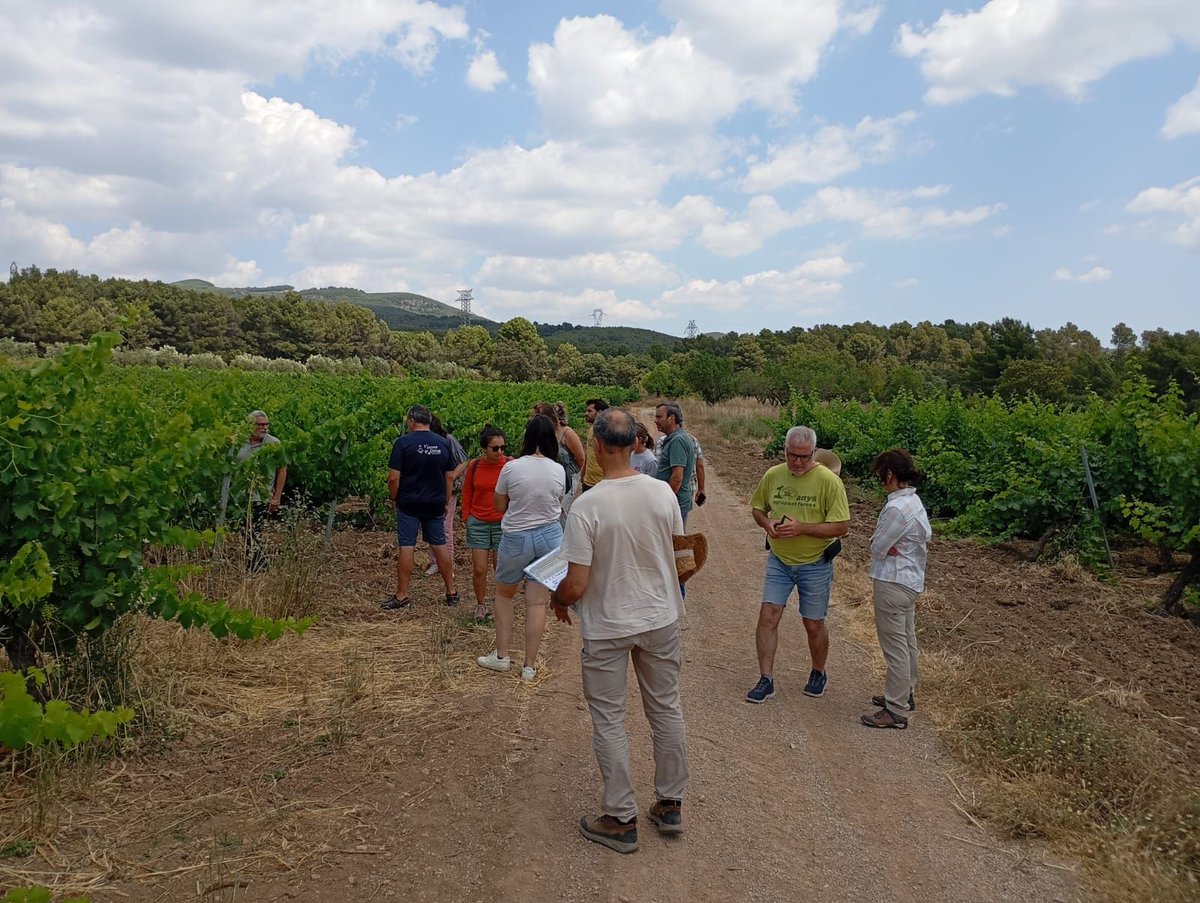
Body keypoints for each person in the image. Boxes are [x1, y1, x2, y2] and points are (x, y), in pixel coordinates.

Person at [550, 408, 688, 854]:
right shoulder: (663, 494)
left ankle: (620, 817)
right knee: (666, 709)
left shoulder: (586, 506)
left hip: (608, 625)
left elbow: (576, 584)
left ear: (595, 446)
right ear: (635, 444)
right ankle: (670, 804)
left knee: (609, 717)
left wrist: (557, 600)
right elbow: (678, 554)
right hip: (660, 617)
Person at [746, 426, 850, 703]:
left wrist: (803, 528)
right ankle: (765, 679)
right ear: (785, 450)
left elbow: (842, 526)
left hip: (815, 563)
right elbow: (757, 508)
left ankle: (818, 671)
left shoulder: (829, 481)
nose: (797, 462)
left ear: (814, 453)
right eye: (792, 455)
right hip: (779, 560)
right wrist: (766, 522)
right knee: (768, 614)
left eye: (804, 457)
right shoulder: (773, 475)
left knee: (813, 623)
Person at [476, 414, 565, 681]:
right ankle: (529, 666)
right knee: (537, 602)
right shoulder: (557, 469)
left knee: (504, 594)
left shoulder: (511, 468)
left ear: (526, 438)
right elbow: (557, 501)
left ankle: (502, 656)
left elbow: (499, 506)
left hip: (516, 536)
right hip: (551, 536)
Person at [861, 449, 931, 730]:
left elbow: (877, 547)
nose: (880, 480)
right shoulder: (914, 501)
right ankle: (906, 693)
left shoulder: (895, 508)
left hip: (892, 583)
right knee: (907, 639)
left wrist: (878, 544)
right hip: (911, 582)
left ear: (889, 474)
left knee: (895, 647)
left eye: (881, 474)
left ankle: (895, 709)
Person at [381, 404, 457, 611]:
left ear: (412, 421)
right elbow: (449, 476)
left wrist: (394, 497)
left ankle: (402, 594)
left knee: (407, 546)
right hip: (434, 503)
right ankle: (451, 592)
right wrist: (444, 500)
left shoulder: (403, 443)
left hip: (409, 503)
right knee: (439, 545)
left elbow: (393, 478)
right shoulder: (442, 443)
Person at [460, 425, 511, 623]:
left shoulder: (509, 465)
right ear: (484, 448)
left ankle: (500, 603)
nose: (500, 452)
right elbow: (467, 492)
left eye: (502, 447)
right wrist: (467, 517)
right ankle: (481, 605)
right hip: (479, 522)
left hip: (501, 523)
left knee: (500, 568)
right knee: (479, 568)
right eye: (495, 448)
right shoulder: (475, 466)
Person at [236, 410, 287, 572]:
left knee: (253, 532)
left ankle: (257, 568)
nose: (265, 428)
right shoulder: (237, 442)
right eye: (261, 425)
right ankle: (257, 565)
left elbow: (282, 470)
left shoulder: (274, 443)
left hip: (260, 497)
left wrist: (276, 497)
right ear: (250, 425)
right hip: (237, 497)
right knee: (246, 532)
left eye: (266, 424)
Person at [424, 414, 468, 576]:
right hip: (431, 488)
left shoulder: (448, 439)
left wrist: (452, 476)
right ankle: (435, 562)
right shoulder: (426, 441)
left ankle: (447, 563)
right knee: (431, 526)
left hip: (447, 489)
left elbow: (464, 460)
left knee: (445, 527)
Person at [653, 402, 696, 526]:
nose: (655, 421)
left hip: (675, 503)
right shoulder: (674, 438)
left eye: (659, 417)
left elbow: (677, 477)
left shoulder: (677, 441)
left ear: (671, 418)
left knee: (673, 543)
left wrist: (666, 502)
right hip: (674, 502)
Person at [580, 398, 609, 492]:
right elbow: (588, 453)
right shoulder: (592, 429)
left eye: (589, 411)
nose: (586, 413)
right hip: (588, 481)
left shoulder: (607, 431)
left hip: (601, 483)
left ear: (599, 412)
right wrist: (583, 473)